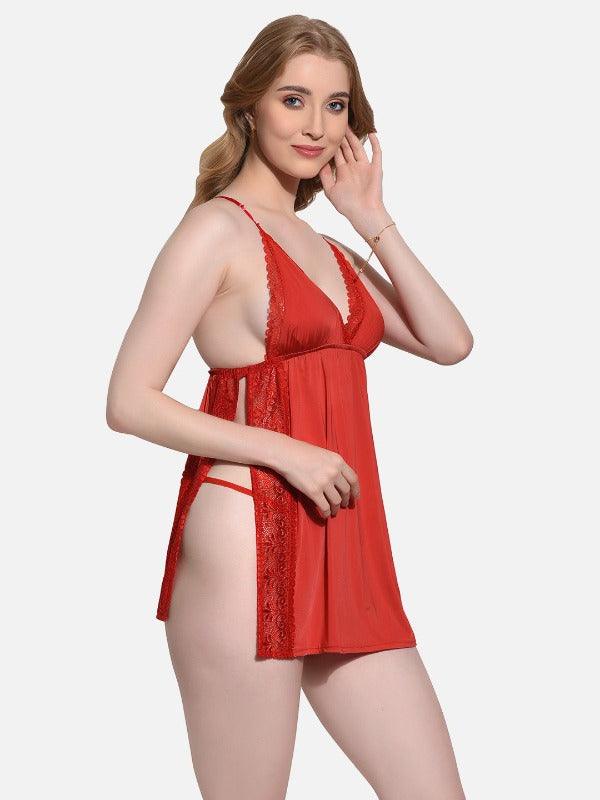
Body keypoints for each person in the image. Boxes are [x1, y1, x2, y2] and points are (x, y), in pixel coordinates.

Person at [106, 14, 472, 800]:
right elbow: (128, 400)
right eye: (293, 99)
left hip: (346, 542)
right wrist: (286, 451)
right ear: (250, 106)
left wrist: (370, 219)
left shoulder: (331, 249)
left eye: (335, 106)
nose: (315, 126)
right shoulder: (215, 231)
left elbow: (450, 341)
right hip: (248, 530)